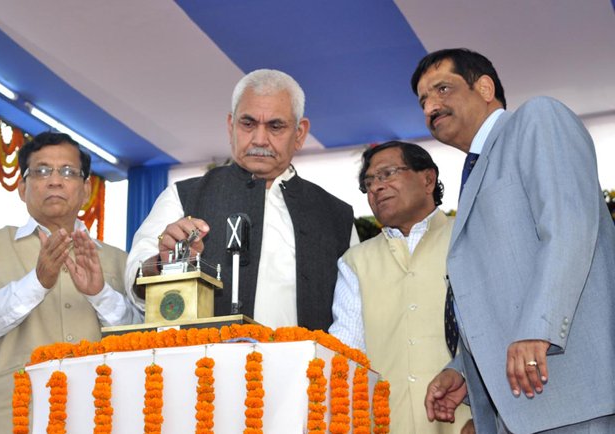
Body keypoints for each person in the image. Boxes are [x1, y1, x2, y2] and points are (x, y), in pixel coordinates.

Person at [413, 48, 615, 433]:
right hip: (519, 407)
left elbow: (569, 225)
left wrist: (538, 328)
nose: (430, 106)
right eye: (423, 100)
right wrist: (462, 371)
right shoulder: (474, 170)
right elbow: (497, 288)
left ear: (485, 87)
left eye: (442, 89)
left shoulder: (537, 118)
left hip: (573, 396)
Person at [126, 69, 357, 331]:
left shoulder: (336, 216)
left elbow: (353, 315)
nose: (259, 139)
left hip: (304, 369)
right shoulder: (183, 196)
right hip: (206, 369)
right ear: (230, 125)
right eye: (248, 124)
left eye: (275, 126)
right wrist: (161, 263)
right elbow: (134, 275)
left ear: (300, 133)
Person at [0, 131, 142, 433]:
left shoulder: (121, 261)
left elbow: (142, 344)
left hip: (98, 420)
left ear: (85, 189)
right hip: (8, 421)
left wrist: (100, 294)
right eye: (41, 171)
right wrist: (37, 283)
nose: (55, 180)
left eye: (68, 171)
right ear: (21, 188)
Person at [329, 141, 473, 434]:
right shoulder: (355, 262)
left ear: (427, 179)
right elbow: (345, 353)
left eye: (387, 174)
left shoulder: (470, 240)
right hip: (384, 424)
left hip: (465, 423)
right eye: (369, 182)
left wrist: (487, 416)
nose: (376, 188)